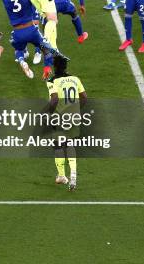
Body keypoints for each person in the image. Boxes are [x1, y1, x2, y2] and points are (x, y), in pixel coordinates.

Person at [1, 0, 62, 80]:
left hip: (17, 32)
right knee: (46, 49)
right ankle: (47, 68)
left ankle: (22, 61)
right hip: (31, 30)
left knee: (18, 49)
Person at [46, 56, 87, 191]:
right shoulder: (75, 79)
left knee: (58, 145)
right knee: (70, 144)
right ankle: (73, 175)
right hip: (74, 116)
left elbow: (54, 100)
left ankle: (62, 175)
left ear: (55, 67)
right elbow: (84, 98)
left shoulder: (52, 81)